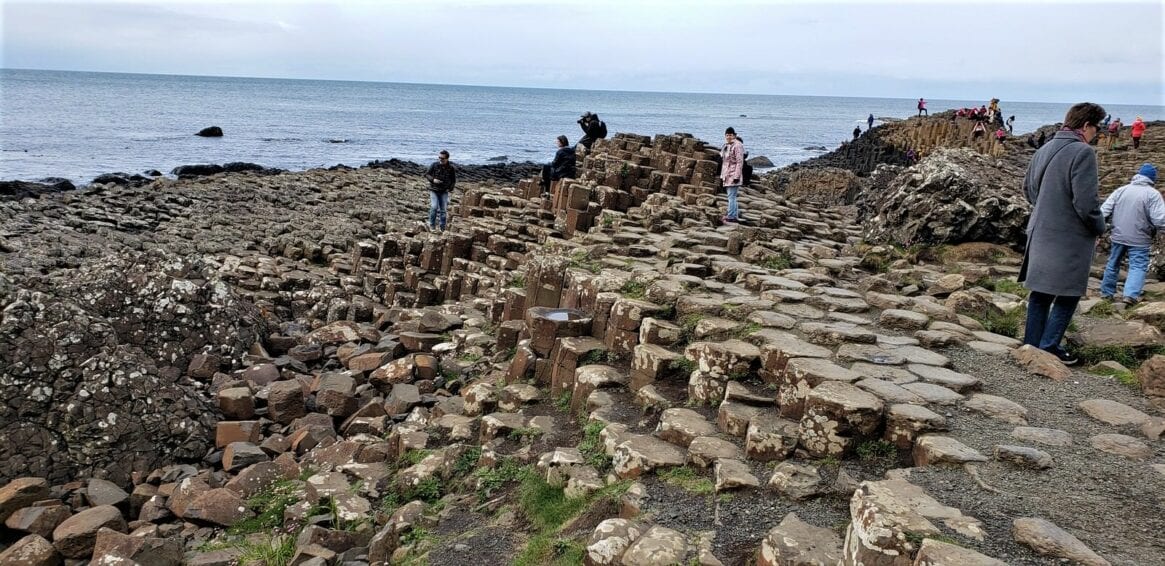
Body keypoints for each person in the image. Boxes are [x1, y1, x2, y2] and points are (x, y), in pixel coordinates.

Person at [1018, 102, 1107, 365]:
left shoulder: (1043, 150)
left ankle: (1031, 344)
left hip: (1039, 230)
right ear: (1086, 125)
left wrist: (1047, 208)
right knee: (1068, 293)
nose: (1097, 133)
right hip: (1067, 237)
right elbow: (1086, 203)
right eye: (1097, 127)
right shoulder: (1083, 152)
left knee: (1040, 292)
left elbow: (1028, 190)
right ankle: (1050, 345)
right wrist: (1099, 226)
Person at [1099, 163, 1163, 304]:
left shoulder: (1121, 190)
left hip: (1118, 234)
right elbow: (1159, 219)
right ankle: (1130, 295)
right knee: (1138, 265)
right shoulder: (1153, 194)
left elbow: (1104, 210)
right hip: (1140, 237)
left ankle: (1106, 293)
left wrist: (1101, 227)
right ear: (1152, 179)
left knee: (1113, 263)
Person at [425, 150, 456, 232]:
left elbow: (453, 180)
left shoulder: (451, 168)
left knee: (443, 210)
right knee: (434, 207)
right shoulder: (434, 165)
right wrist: (433, 180)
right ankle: (432, 225)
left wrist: (450, 188)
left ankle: (442, 228)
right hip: (434, 190)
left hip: (444, 191)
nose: (440, 159)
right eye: (439, 157)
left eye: (442, 158)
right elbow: (427, 174)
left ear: (447, 159)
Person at [720, 127, 744, 223]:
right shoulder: (727, 145)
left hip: (733, 174)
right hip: (727, 174)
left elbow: (739, 162)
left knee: (731, 196)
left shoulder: (738, 145)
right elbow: (723, 157)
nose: (728, 137)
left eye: (730, 135)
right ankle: (733, 215)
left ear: (734, 135)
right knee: (732, 196)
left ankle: (731, 216)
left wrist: (736, 177)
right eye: (727, 135)